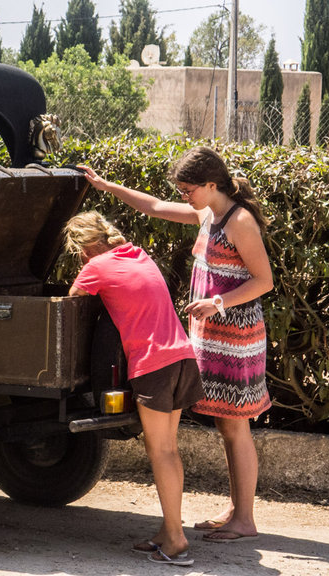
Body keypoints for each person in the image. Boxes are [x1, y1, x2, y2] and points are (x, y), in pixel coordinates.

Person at [77, 146, 273, 545]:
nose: (184, 197)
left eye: (188, 190)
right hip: (211, 333)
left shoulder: (239, 221)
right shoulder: (208, 213)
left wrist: (218, 302)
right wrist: (106, 186)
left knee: (235, 424)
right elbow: (153, 206)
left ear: (212, 184)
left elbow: (263, 280)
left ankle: (244, 518)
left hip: (235, 336)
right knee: (225, 423)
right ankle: (237, 510)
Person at [65, 211, 203, 567]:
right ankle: (167, 531)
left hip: (153, 365)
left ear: (83, 247)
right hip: (182, 356)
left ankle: (176, 540)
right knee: (168, 449)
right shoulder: (137, 254)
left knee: (161, 452)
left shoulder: (95, 266)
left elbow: (70, 305)